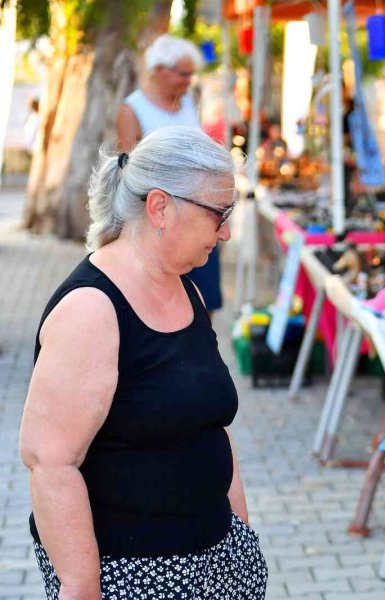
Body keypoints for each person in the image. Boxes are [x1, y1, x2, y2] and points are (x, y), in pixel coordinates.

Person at [19, 126, 267, 600]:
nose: (228, 231)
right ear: (159, 208)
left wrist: (240, 533)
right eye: (220, 213)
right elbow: (49, 462)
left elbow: (209, 422)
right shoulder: (92, 309)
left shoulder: (185, 287)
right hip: (132, 575)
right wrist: (81, 588)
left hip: (213, 559)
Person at [116, 34, 224, 314]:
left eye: (192, 74)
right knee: (164, 304)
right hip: (163, 222)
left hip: (199, 214)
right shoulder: (132, 109)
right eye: (184, 74)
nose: (189, 81)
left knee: (202, 300)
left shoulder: (187, 102)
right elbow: (130, 173)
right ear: (159, 70)